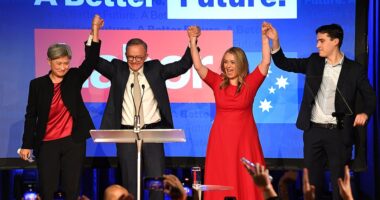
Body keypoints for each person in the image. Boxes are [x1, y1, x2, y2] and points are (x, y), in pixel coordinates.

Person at [265, 23, 376, 199]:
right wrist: (275, 41)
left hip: (339, 134)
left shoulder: (354, 70)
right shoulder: (314, 62)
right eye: (317, 41)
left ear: (336, 41)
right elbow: (283, 63)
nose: (317, 45)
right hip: (313, 132)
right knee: (312, 186)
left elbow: (370, 97)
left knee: (340, 187)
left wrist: (365, 113)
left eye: (321, 41)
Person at [94, 28, 200, 199]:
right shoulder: (117, 69)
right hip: (126, 134)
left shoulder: (155, 69)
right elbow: (94, 61)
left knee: (156, 182)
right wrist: (95, 32)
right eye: (130, 57)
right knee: (129, 182)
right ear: (125, 54)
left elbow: (182, 65)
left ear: (146, 55)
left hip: (152, 133)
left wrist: (192, 41)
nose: (134, 61)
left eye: (139, 57)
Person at [18, 15, 103, 200]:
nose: (63, 67)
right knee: (47, 190)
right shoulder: (37, 84)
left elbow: (91, 61)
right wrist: (26, 145)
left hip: (73, 141)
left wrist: (95, 30)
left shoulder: (73, 77)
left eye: (66, 63)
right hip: (47, 143)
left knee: (72, 189)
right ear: (49, 61)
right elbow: (31, 116)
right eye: (59, 63)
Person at [188, 22, 271, 199]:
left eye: (232, 62)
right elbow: (198, 66)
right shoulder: (217, 82)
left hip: (245, 141)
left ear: (241, 64)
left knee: (246, 179)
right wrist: (193, 42)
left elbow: (265, 62)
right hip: (221, 141)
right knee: (222, 175)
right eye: (225, 62)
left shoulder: (250, 84)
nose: (228, 66)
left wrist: (265, 38)